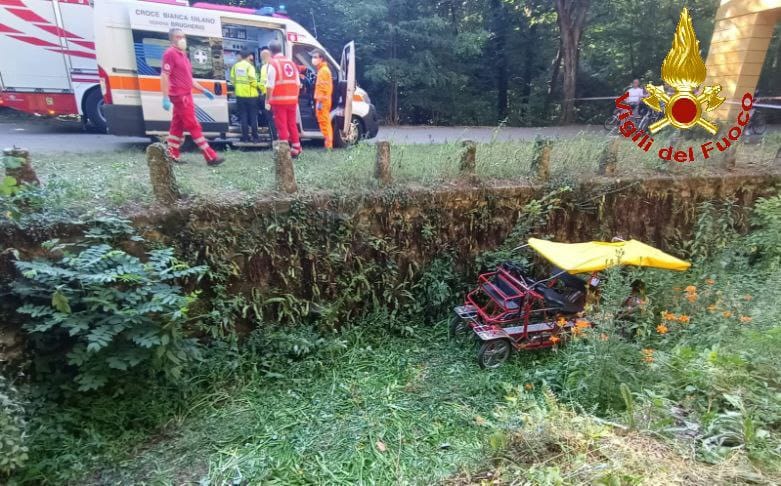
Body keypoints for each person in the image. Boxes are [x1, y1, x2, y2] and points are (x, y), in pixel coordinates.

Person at [161, 28, 224, 166]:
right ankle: (210, 156)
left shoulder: (182, 55)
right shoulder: (170, 53)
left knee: (177, 126)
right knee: (193, 124)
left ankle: (172, 155)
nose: (182, 39)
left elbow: (189, 79)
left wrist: (204, 90)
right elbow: (164, 75)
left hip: (185, 94)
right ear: (172, 39)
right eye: (178, 37)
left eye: (183, 36)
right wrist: (165, 97)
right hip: (180, 95)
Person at [265, 40, 302, 157]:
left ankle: (284, 150)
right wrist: (295, 97)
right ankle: (296, 147)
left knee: (281, 125)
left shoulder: (273, 64)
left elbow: (270, 86)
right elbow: (298, 83)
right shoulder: (291, 63)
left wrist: (267, 100)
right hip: (292, 100)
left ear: (270, 51)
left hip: (279, 100)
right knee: (292, 123)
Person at [230, 49, 260, 143]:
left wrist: (238, 87)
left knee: (243, 117)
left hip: (240, 96)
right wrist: (259, 86)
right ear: (248, 56)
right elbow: (252, 80)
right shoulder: (249, 66)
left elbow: (232, 80)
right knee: (253, 117)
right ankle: (255, 138)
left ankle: (245, 138)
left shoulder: (235, 66)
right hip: (251, 95)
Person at [311, 50, 333, 149]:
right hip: (323, 100)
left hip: (322, 101)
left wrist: (320, 101)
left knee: (324, 122)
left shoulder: (323, 71)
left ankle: (328, 145)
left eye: (315, 57)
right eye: (313, 57)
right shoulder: (322, 70)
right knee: (325, 122)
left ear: (321, 58)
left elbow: (323, 88)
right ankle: (328, 143)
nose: (313, 59)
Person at [258, 47, 276, 140]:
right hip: (274, 95)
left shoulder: (264, 67)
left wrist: (265, 99)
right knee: (274, 118)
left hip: (267, 95)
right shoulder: (274, 66)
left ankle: (274, 139)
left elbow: (262, 83)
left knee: (270, 119)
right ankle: (277, 138)